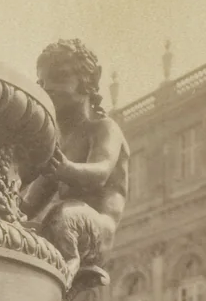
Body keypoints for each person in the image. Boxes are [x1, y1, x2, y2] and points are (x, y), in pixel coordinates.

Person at [22, 39, 128, 283]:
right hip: (65, 226)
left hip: (98, 232)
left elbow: (100, 173)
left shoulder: (104, 128)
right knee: (23, 230)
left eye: (59, 77)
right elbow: (29, 205)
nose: (47, 87)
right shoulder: (58, 145)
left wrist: (65, 169)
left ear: (89, 81)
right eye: (42, 82)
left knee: (63, 216)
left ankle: (66, 268)